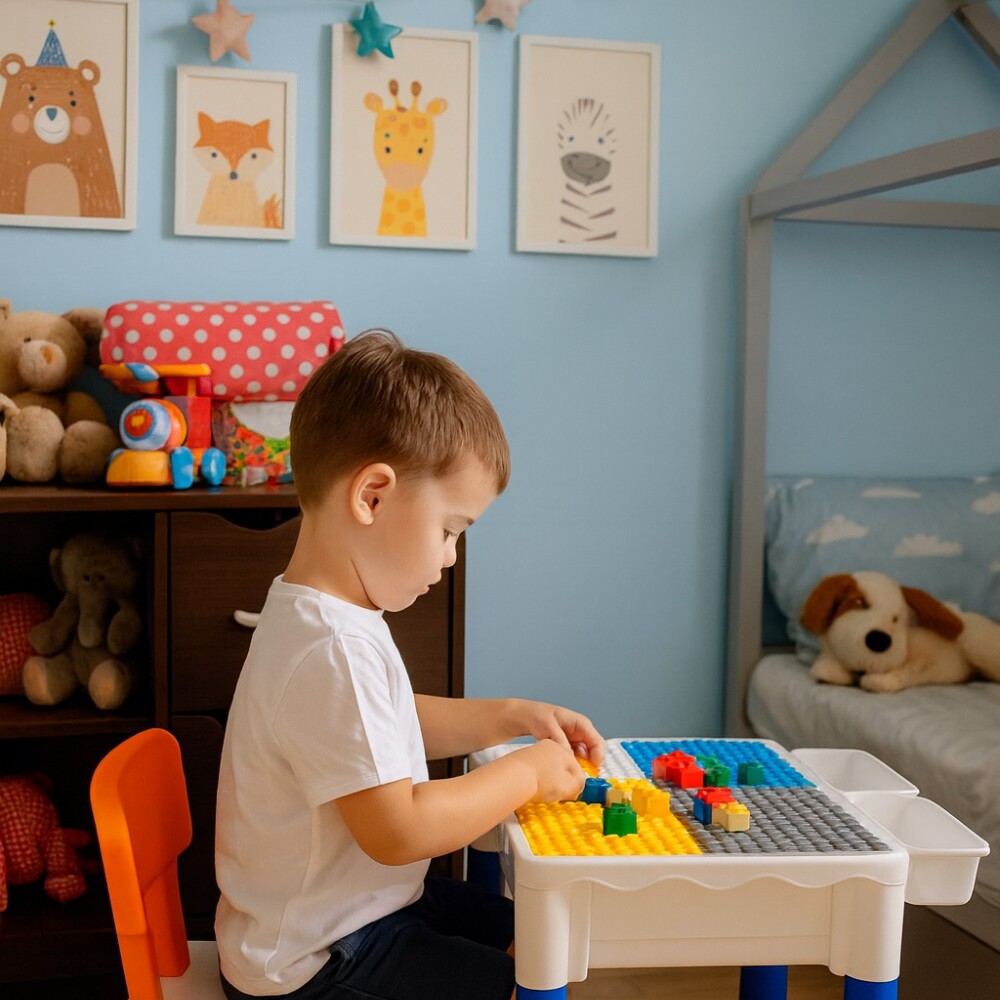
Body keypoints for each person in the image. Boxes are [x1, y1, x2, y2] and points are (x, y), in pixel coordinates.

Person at [215, 329, 604, 1000]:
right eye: (450, 528)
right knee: (530, 980)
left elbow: (384, 727)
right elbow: (400, 831)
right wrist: (525, 772)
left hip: (353, 917)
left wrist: (509, 717)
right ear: (372, 496)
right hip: (312, 966)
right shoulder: (331, 646)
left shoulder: (321, 613)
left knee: (543, 930)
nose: (451, 556)